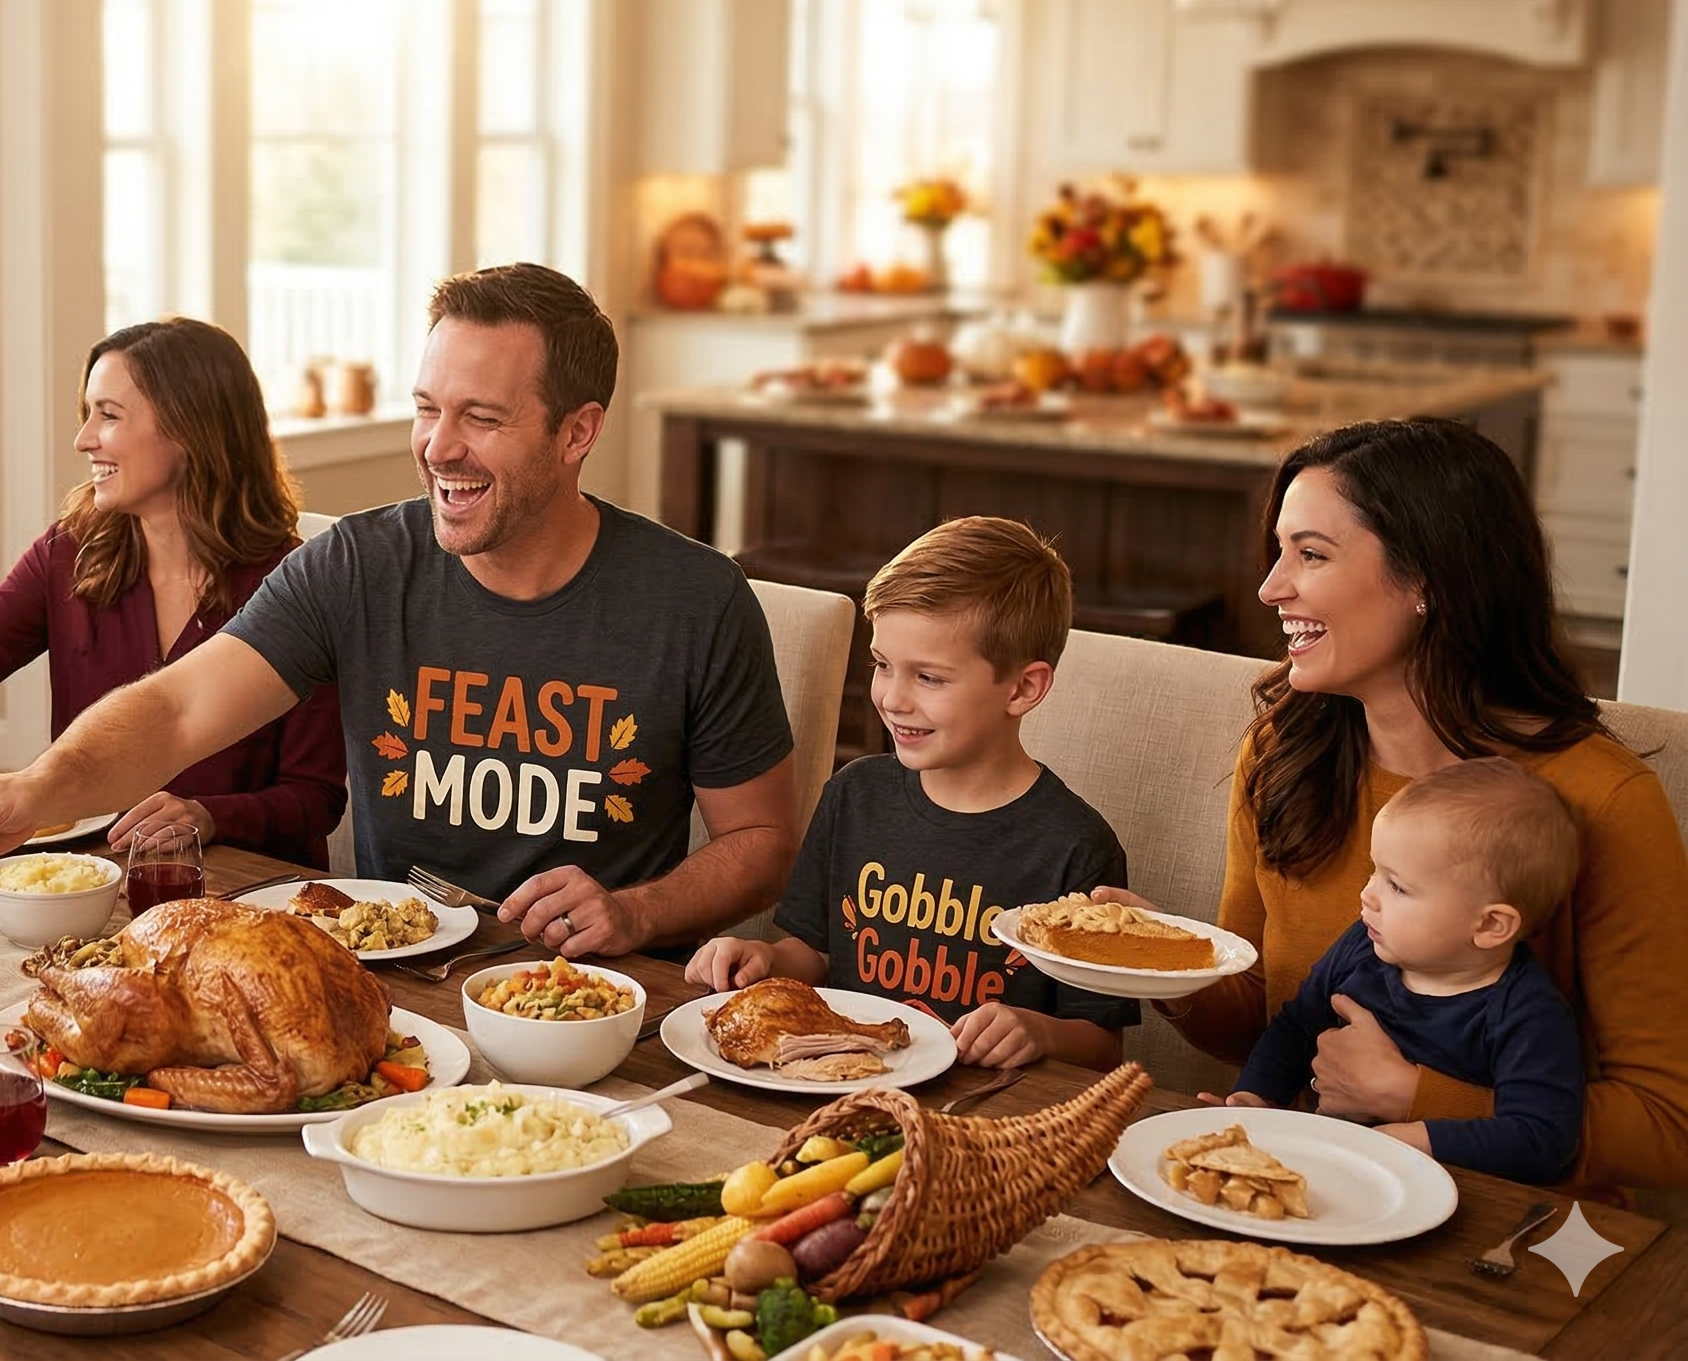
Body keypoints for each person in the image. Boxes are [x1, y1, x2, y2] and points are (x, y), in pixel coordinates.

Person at [0, 263, 802, 958]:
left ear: (577, 432)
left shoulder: (694, 599)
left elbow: (761, 843)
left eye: (481, 418)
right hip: (393, 978)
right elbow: (178, 707)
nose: (438, 447)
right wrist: (31, 794)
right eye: (426, 409)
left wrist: (636, 910)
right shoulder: (357, 565)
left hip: (599, 1002)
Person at [1110, 417, 1688, 1190]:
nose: (1270, 587)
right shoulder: (1283, 755)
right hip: (1317, 1184)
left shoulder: (1601, 798)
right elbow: (1269, 1015)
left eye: (1310, 554)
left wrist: (1412, 1097)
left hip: (1503, 1222)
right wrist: (1162, 968)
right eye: (1278, 551)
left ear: (1429, 582)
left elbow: (1667, 1123)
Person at [0, 318, 344, 863]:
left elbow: (315, 798)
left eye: (108, 415)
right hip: (92, 879)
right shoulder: (72, 554)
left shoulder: (296, 581)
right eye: (87, 414)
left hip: (248, 891)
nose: (83, 439)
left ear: (190, 429)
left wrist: (209, 815)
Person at [686, 517, 1136, 1069]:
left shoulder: (1077, 846)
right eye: (881, 665)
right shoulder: (854, 795)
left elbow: (1102, 1044)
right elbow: (814, 954)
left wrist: (1039, 1032)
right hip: (840, 1082)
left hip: (983, 1115)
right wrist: (761, 958)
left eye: (930, 678)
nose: (893, 699)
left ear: (1022, 688)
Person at [1216, 758, 1585, 1185]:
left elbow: (1543, 1139)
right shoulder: (1361, 945)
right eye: (1375, 871)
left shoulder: (1527, 1010)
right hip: (1331, 1175)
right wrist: (1255, 1096)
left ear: (1489, 925)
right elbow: (1297, 1027)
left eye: (1397, 886)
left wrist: (1416, 1139)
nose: (1367, 894)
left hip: (1452, 1198)